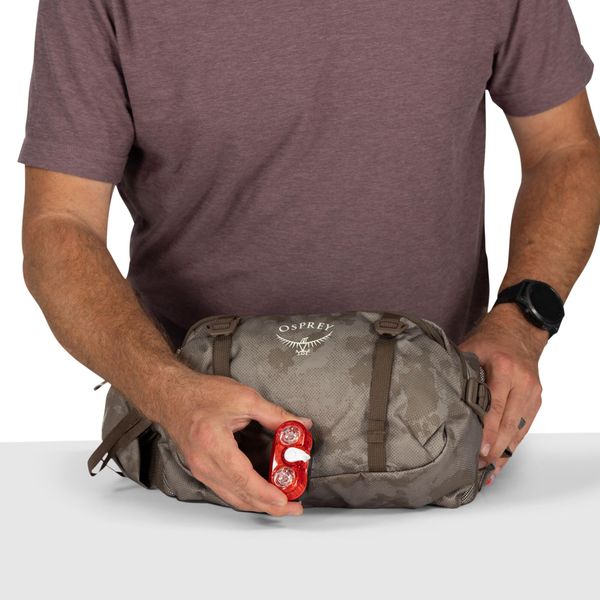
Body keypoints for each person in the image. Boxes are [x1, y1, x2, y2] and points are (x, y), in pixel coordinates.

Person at [18, 0, 600, 517]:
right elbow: (60, 226)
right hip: (188, 454)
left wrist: (521, 323)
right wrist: (167, 391)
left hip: (442, 441)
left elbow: (565, 148)